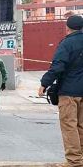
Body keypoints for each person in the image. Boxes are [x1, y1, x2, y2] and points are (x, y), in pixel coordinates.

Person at [38, 15, 83, 167]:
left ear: (67, 27)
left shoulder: (67, 43)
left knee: (69, 126)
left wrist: (44, 83)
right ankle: (80, 158)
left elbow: (58, 66)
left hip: (69, 92)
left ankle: (74, 161)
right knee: (81, 125)